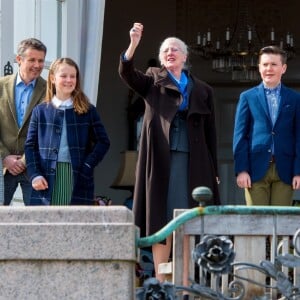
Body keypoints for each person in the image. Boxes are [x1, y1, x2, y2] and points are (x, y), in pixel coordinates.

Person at [119, 22, 220, 287]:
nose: (170, 53)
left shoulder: (203, 89)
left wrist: (215, 172)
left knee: (188, 218)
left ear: (185, 57)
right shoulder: (153, 79)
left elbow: (211, 133)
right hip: (160, 161)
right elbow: (127, 73)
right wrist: (133, 44)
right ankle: (162, 282)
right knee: (160, 216)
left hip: (193, 161)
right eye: (166, 50)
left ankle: (185, 283)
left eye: (175, 49)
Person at [25, 57, 110, 205]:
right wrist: (34, 175)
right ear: (52, 78)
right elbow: (30, 146)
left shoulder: (88, 111)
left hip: (77, 176)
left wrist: (88, 165)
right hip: (45, 177)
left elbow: (103, 142)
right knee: (46, 226)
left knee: (73, 225)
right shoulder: (40, 111)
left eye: (73, 76)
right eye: (63, 76)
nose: (69, 80)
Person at [233, 45, 300, 206]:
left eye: (274, 64)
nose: (269, 69)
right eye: (265, 64)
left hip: (286, 169)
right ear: (259, 68)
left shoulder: (295, 98)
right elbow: (240, 136)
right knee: (256, 223)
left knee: (280, 224)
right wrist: (241, 170)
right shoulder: (247, 97)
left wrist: (298, 171)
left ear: (283, 68)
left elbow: (299, 137)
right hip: (255, 168)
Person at [0, 38, 47, 206]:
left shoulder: (50, 91)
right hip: (2, 166)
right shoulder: (1, 86)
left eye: (41, 60)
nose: (37, 65)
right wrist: (5, 157)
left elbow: (47, 132)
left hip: (34, 168)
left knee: (37, 223)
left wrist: (25, 160)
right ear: (19, 60)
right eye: (32, 60)